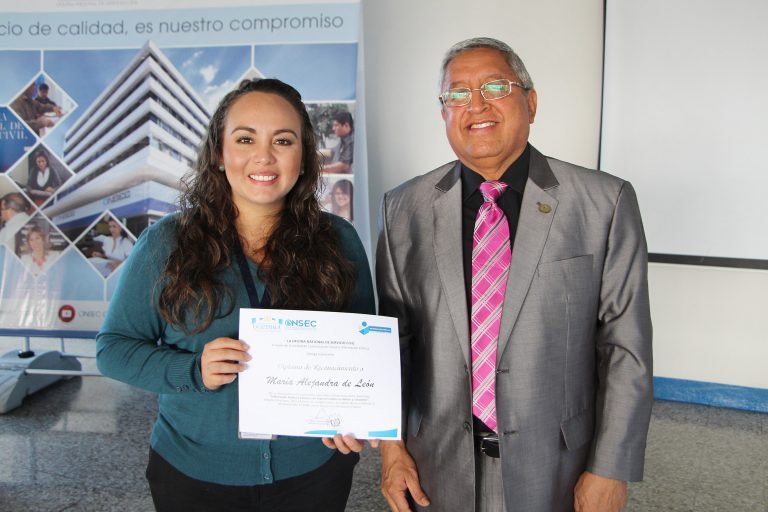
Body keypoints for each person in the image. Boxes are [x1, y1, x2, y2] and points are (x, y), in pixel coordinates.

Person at [376, 37, 653, 512]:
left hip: (558, 467)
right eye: (457, 94)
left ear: (531, 102)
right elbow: (391, 343)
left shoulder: (603, 203)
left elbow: (625, 348)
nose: (475, 105)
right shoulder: (404, 208)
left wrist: (610, 468)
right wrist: (390, 448)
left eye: (495, 87)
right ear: (444, 113)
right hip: (436, 466)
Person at [96, 78, 375, 512]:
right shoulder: (167, 242)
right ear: (219, 153)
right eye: (245, 139)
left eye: (283, 140)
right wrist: (193, 370)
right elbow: (112, 350)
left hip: (313, 472)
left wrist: (353, 414)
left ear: (303, 157)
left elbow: (363, 354)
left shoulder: (338, 239)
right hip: (195, 475)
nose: (264, 156)